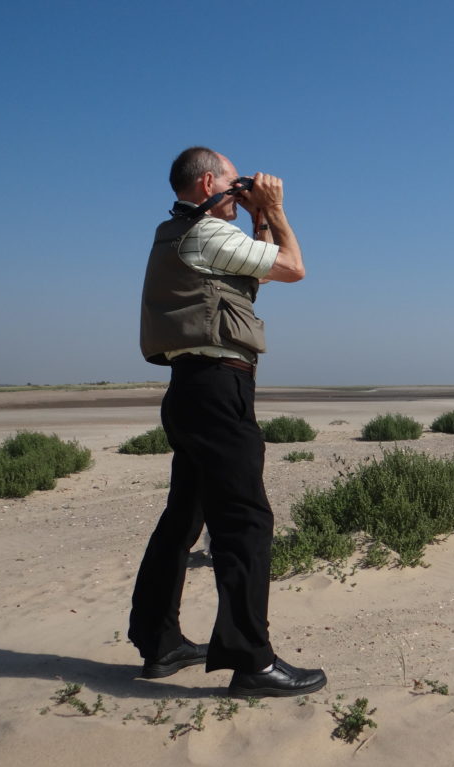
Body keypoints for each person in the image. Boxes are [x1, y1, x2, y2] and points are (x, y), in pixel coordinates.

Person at [129, 146, 326, 697]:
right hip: (217, 391)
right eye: (236, 184)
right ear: (209, 181)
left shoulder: (183, 234)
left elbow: (254, 276)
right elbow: (293, 268)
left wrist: (256, 214)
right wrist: (279, 211)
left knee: (182, 520)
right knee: (244, 522)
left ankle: (160, 642)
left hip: (192, 390)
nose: (243, 192)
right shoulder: (204, 234)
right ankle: (251, 662)